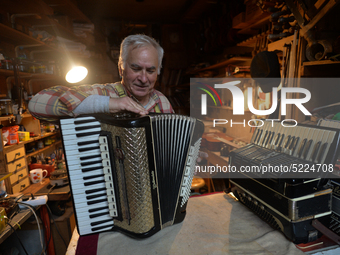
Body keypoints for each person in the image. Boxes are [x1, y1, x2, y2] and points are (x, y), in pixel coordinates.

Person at [28, 34, 174, 122]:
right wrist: (109, 104)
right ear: (120, 69)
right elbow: (36, 104)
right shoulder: (101, 93)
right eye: (135, 68)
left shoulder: (161, 101)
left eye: (150, 71)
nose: (143, 78)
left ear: (157, 73)